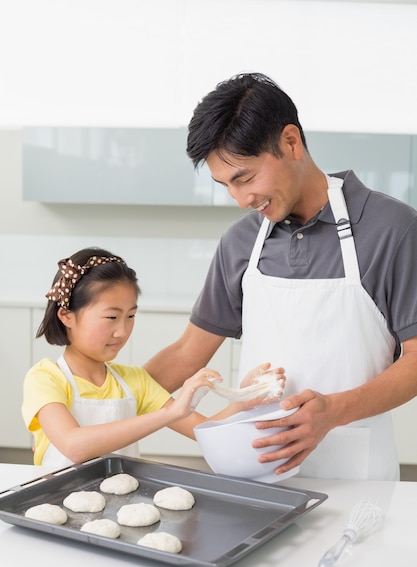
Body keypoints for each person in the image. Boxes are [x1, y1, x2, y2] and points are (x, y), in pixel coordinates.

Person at [144, 72, 417, 481]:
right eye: (226, 186)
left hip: (357, 478)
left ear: (291, 142)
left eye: (246, 178)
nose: (240, 200)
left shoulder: (392, 228)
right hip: (257, 473)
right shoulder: (241, 242)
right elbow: (188, 354)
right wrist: (108, 386)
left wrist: (334, 411)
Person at [22, 246, 284, 468]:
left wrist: (242, 400)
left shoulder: (135, 380)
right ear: (66, 316)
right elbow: (73, 446)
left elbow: (204, 432)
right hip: (57, 505)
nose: (122, 331)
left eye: (131, 316)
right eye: (111, 317)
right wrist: (170, 413)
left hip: (118, 506)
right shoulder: (45, 378)